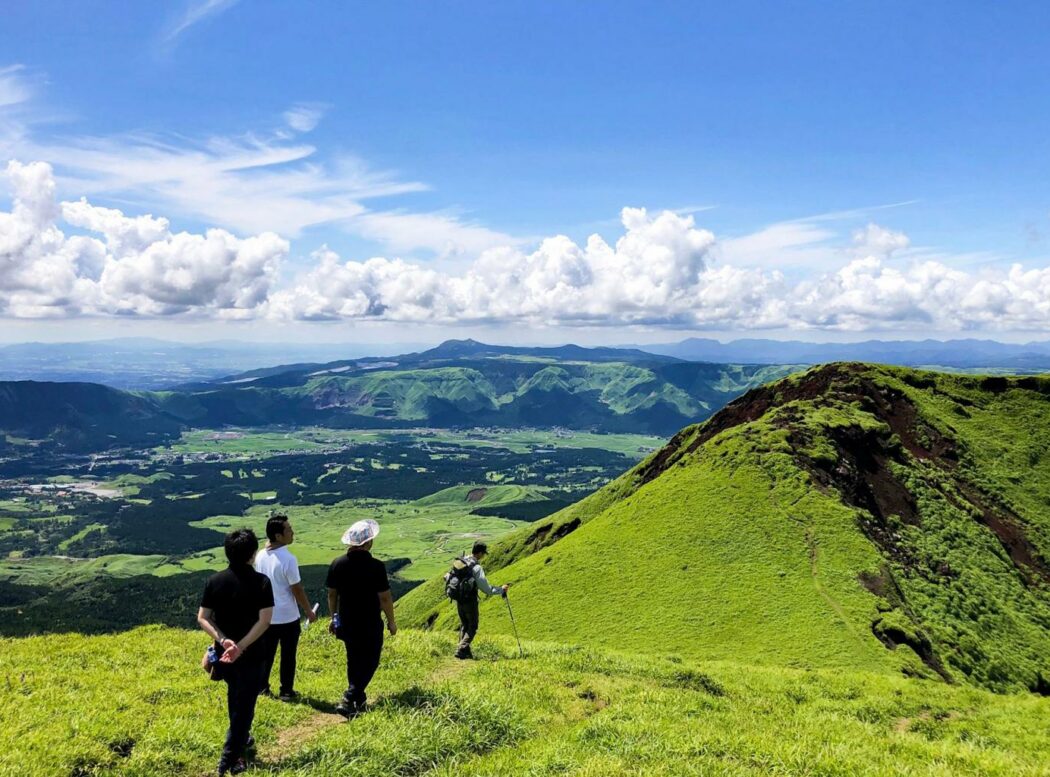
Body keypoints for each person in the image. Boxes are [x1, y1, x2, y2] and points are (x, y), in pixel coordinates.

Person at [197, 528, 274, 776]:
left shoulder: (214, 581)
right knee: (245, 705)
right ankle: (230, 757)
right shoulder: (262, 582)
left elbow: (203, 618)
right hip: (253, 653)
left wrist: (224, 640)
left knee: (236, 697)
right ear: (252, 554)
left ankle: (242, 739)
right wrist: (241, 646)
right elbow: (264, 621)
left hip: (224, 654)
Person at [325, 518, 397, 718]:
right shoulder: (376, 566)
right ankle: (349, 697)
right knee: (372, 659)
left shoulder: (337, 564)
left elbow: (332, 594)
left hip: (346, 619)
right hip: (369, 620)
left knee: (353, 658)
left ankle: (359, 698)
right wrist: (391, 621)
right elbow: (384, 597)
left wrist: (334, 618)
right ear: (367, 543)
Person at [254, 512, 318, 701]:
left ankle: (262, 686)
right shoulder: (288, 559)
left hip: (266, 615)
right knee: (288, 655)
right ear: (278, 536)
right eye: (289, 530)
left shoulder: (260, 555)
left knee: (267, 654)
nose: (293, 533)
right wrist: (308, 611)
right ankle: (286, 690)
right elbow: (297, 589)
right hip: (287, 616)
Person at [451, 541, 508, 660]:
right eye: (483, 554)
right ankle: (461, 648)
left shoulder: (462, 561)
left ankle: (465, 652)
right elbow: (486, 589)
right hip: (470, 600)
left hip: (459, 599)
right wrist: (500, 590)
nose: (483, 556)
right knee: (473, 626)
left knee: (464, 625)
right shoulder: (476, 568)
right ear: (480, 553)